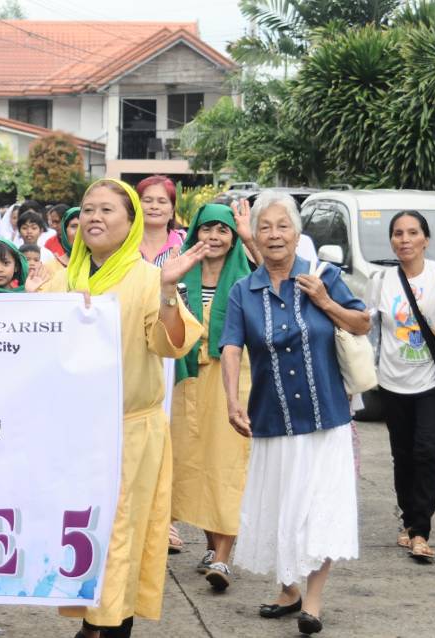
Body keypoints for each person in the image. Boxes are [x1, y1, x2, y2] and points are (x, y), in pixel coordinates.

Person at [42, 178, 206, 638]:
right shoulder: (61, 280)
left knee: (120, 540)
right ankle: (92, 627)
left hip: (128, 436)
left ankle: (110, 628)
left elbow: (171, 345)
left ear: (131, 223)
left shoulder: (150, 278)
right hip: (73, 439)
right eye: (87, 209)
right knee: (80, 534)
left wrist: (169, 291)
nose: (94, 217)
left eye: (107, 210)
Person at [219, 190, 369, 636]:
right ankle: (288, 590)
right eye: (265, 227)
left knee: (320, 508)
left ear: (297, 234)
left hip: (327, 418)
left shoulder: (323, 275)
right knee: (281, 507)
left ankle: (314, 601)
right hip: (271, 417)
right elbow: (230, 346)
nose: (274, 234)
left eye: (283, 226)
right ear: (256, 238)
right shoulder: (244, 291)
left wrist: (325, 300)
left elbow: (361, 323)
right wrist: (231, 398)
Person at [368, 211, 435, 561]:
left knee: (428, 452)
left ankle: (420, 531)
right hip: (392, 382)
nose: (404, 240)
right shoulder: (381, 280)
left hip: (431, 382)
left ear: (425, 240)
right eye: (398, 233)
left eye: (412, 233)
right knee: (403, 456)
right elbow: (367, 326)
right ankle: (408, 517)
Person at [168, 204, 252, 592]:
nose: (214, 237)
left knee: (228, 463)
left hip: (233, 380)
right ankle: (210, 546)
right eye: (206, 229)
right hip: (187, 378)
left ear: (234, 236)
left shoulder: (247, 278)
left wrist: (252, 235)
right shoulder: (180, 272)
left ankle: (223, 557)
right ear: (195, 233)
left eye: (223, 230)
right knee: (195, 462)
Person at [136, 175, 185, 267]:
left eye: (162, 202)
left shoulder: (185, 243)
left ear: (172, 211)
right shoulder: (121, 243)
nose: (154, 206)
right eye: (147, 201)